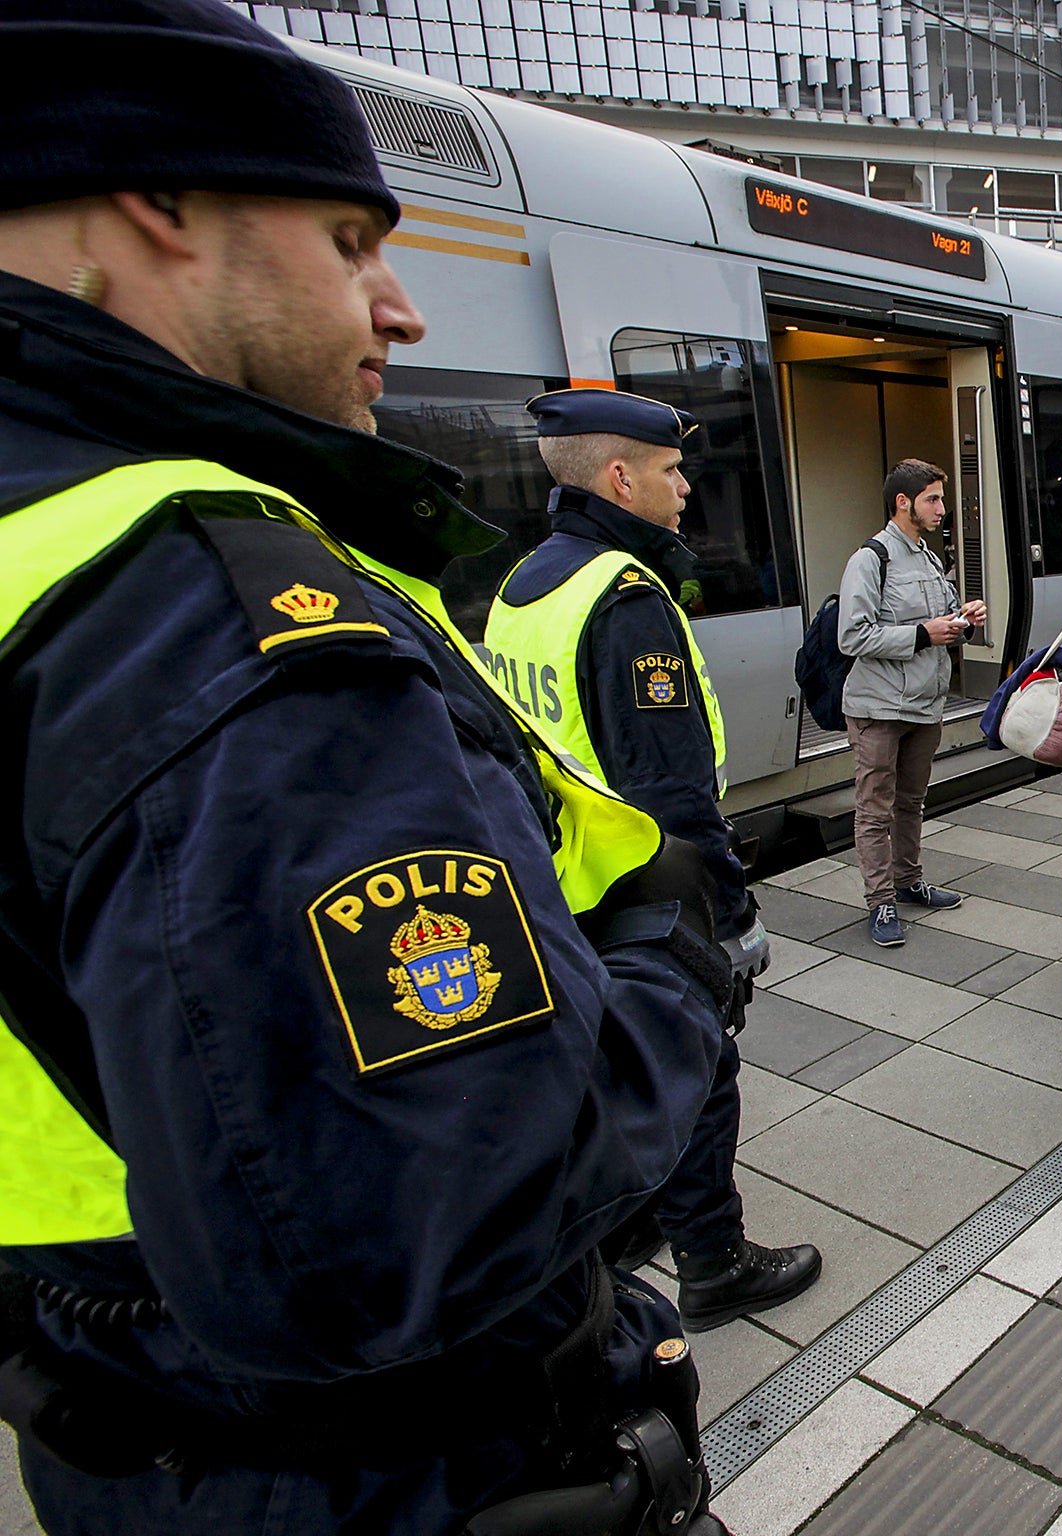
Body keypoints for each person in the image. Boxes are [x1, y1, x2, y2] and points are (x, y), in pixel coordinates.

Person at [0, 4, 734, 1532]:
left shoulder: (32, 552)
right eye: (350, 243)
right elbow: (440, 1222)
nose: (397, 310)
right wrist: (672, 965)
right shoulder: (223, 620)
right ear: (162, 198)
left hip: (123, 1407)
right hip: (392, 1472)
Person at [484, 390, 821, 1331]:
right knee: (700, 1068)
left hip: (563, 884)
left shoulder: (525, 585)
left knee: (616, 1068)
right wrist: (736, 914)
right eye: (672, 472)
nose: (685, 490)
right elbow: (672, 792)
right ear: (620, 478)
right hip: (648, 888)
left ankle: (622, 1237)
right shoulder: (626, 601)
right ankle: (714, 1261)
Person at [838, 458, 986, 948]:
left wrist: (961, 618)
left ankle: (908, 881)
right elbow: (852, 636)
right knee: (874, 809)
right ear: (904, 502)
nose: (944, 508)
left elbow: (933, 622)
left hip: (924, 704)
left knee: (911, 803)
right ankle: (880, 903)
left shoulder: (925, 556)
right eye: (934, 499)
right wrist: (925, 634)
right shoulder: (870, 558)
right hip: (879, 707)